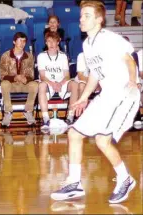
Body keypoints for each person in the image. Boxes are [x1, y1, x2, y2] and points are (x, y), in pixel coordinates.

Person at [51, 1, 140, 204]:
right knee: (74, 133)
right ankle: (74, 182)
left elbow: (129, 60)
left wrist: (133, 82)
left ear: (99, 19)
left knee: (102, 139)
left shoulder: (109, 39)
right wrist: (83, 98)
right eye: (81, 15)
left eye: (87, 15)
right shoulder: (87, 44)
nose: (82, 19)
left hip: (124, 94)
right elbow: (94, 75)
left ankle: (125, 179)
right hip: (107, 94)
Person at [37, 31, 78, 129]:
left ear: (58, 42)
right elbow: (42, 76)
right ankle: (46, 119)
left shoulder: (63, 56)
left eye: (53, 41)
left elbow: (67, 75)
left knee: (75, 84)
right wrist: (52, 84)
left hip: (61, 83)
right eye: (49, 41)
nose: (51, 44)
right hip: (47, 83)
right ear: (46, 43)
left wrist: (60, 84)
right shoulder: (41, 56)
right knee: (41, 85)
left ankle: (70, 117)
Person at [0, 32, 38, 127]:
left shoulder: (29, 56)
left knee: (35, 84)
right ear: (14, 42)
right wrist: (15, 77)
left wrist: (26, 79)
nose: (22, 43)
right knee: (4, 83)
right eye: (20, 41)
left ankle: (28, 111)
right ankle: (8, 112)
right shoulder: (6, 55)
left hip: (24, 84)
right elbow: (2, 75)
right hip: (11, 85)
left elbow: (31, 75)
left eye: (24, 41)